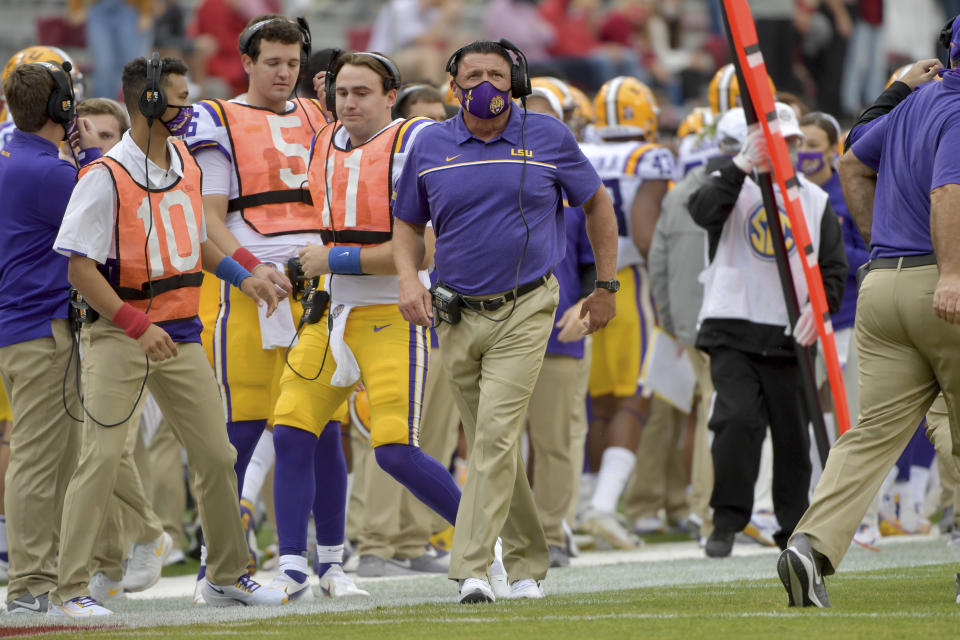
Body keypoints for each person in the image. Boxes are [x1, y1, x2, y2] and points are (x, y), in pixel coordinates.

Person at [49, 55, 284, 616]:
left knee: (216, 455)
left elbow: (195, 240)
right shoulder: (103, 177)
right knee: (101, 459)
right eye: (180, 97)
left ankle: (228, 574)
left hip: (180, 335)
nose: (189, 108)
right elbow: (79, 268)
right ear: (148, 100)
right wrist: (137, 325)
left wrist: (244, 278)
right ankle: (69, 589)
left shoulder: (183, 158)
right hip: (119, 335)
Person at [392, 40, 618, 603]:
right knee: (496, 445)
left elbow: (598, 204)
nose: (486, 83)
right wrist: (405, 279)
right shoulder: (430, 143)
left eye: (497, 73)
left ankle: (470, 566)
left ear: (515, 82)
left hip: (527, 304)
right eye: (474, 75)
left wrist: (605, 285)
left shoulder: (547, 136)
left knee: (492, 436)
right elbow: (405, 222)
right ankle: (526, 567)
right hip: (455, 312)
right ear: (454, 85)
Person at [778, 17, 960, 606]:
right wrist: (952, 272)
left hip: (883, 285)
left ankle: (809, 546)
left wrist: (880, 248)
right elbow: (948, 193)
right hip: (944, 283)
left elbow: (852, 162)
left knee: (869, 435)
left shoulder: (914, 103)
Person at [267, 51, 462, 599]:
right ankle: (301, 567)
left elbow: (422, 251)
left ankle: (482, 543)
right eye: (342, 93)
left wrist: (334, 260)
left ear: (389, 96)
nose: (348, 102)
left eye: (361, 93)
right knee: (292, 430)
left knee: (395, 451)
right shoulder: (323, 140)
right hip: (330, 312)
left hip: (390, 312)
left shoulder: (414, 142)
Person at [182, 13, 325, 589]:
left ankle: (322, 557)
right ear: (245, 62)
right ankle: (219, 562)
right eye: (273, 62)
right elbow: (208, 218)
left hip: (317, 284)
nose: (285, 73)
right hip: (251, 284)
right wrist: (249, 271)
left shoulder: (318, 112)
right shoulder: (216, 117)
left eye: (293, 63)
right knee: (242, 424)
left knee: (319, 423)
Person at [689, 103, 847, 559]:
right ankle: (726, 520)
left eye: (792, 142)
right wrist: (742, 164)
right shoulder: (730, 183)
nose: (787, 150)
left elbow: (833, 271)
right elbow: (702, 211)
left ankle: (793, 525)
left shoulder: (814, 201)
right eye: (778, 141)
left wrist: (820, 311)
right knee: (736, 421)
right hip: (732, 324)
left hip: (789, 333)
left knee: (793, 435)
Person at [0, 59, 97, 615]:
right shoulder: (51, 173)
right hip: (41, 326)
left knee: (51, 457)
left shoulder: (13, 153)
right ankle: (30, 582)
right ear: (61, 106)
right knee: (40, 459)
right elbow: (112, 213)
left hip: (20, 323)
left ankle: (43, 574)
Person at [578, 75, 677, 546]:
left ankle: (591, 501)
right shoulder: (649, 156)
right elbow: (643, 234)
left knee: (597, 400)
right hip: (628, 285)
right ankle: (601, 506)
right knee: (635, 397)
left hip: (581, 284)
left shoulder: (583, 150)